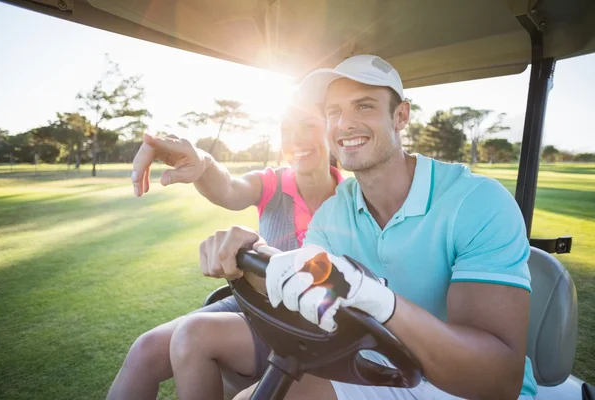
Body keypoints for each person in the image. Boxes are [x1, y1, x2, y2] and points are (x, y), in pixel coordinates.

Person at [198, 54, 537, 400]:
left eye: (363, 106)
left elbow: (497, 381)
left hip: (460, 387)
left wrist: (384, 304)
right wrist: (257, 251)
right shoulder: (332, 213)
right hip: (381, 370)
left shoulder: (477, 202)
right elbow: (310, 285)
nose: (344, 124)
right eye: (334, 112)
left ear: (401, 115)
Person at [106, 95, 343, 400]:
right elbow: (229, 187)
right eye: (287, 128)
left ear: (330, 129)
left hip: (301, 324)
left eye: (309, 125)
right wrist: (201, 163)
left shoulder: (350, 198)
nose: (296, 138)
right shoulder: (272, 182)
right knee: (146, 349)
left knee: (193, 335)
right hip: (253, 302)